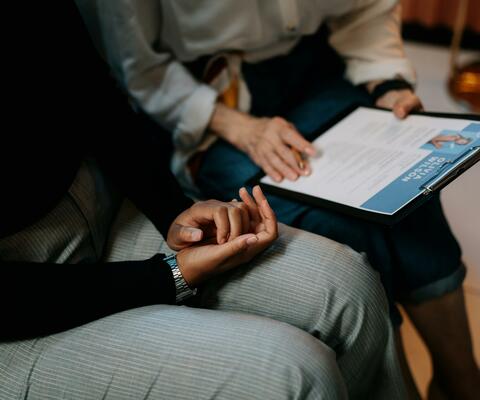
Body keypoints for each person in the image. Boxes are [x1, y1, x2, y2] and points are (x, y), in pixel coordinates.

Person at [0, 2, 407, 399]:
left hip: (104, 205)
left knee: (351, 287)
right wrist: (169, 277)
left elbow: (92, 91)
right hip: (19, 303)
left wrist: (174, 211)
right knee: (296, 373)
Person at [75, 1, 480, 398]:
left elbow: (365, 8)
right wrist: (240, 127)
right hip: (207, 97)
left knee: (408, 191)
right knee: (335, 228)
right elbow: (140, 68)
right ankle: (399, 386)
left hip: (311, 65)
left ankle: (461, 379)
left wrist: (389, 85)